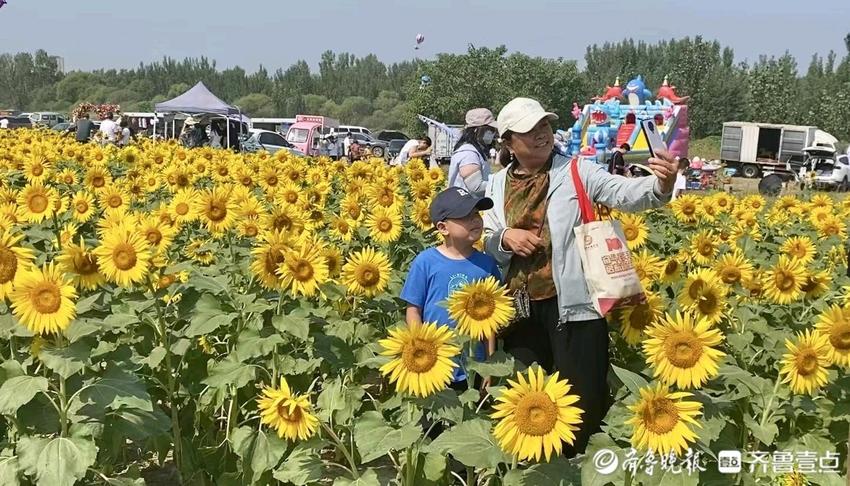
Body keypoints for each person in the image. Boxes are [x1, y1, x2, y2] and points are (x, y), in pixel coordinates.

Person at [483, 97, 678, 456]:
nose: (541, 135)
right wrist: (504, 238)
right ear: (508, 142)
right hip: (519, 308)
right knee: (526, 398)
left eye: (544, 126)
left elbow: (624, 193)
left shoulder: (576, 171)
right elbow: (486, 235)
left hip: (573, 305)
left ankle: (580, 467)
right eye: (529, 130)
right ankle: (536, 469)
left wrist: (661, 186)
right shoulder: (495, 186)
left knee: (583, 398)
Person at [401, 187, 501, 391]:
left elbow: (491, 323)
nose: (475, 220)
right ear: (443, 227)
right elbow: (413, 310)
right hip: (433, 362)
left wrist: (490, 366)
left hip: (473, 362)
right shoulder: (426, 262)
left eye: (476, 214)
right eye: (465, 216)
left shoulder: (486, 264)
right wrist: (419, 349)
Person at [448, 108, 499, 197]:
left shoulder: (476, 151)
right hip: (465, 208)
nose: (493, 133)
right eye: (490, 129)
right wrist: (503, 183)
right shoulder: (468, 154)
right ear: (476, 130)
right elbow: (476, 187)